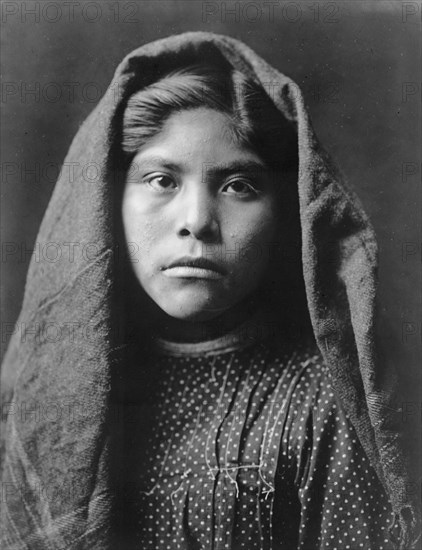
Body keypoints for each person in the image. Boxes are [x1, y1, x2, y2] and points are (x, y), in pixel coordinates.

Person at [0, 32, 419, 550]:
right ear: (105, 205)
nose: (197, 221)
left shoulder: (320, 406)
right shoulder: (42, 399)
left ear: (284, 216)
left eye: (238, 185)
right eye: (161, 181)